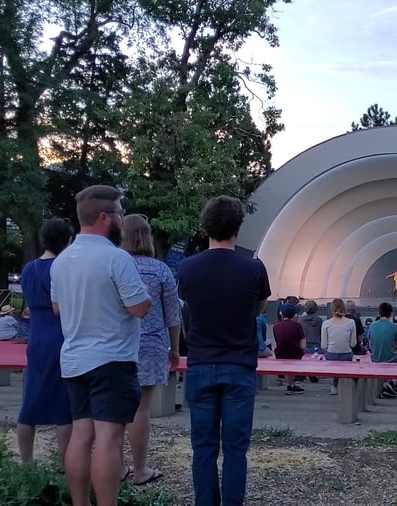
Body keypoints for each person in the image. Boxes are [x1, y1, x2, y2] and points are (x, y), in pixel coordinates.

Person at [50, 185, 152, 506]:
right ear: (105, 217)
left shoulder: (62, 261)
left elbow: (57, 308)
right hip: (112, 360)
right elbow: (139, 307)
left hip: (74, 360)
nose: (123, 218)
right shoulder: (116, 258)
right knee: (108, 439)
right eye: (120, 212)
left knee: (81, 436)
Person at [178, 195, 271, 505]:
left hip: (201, 363)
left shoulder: (188, 268)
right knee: (235, 450)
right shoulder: (255, 269)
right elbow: (258, 309)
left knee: (203, 448)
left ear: (205, 226)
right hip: (239, 366)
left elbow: (187, 305)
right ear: (238, 227)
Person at [121, 214, 182, 486]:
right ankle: (140, 468)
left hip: (117, 345)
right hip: (151, 343)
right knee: (141, 409)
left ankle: (118, 465)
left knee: (115, 408)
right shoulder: (160, 270)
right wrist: (175, 349)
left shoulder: (115, 266)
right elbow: (173, 316)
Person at [16, 217, 74, 464]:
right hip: (60, 335)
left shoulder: (29, 269)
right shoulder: (62, 269)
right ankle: (64, 463)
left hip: (36, 335)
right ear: (66, 240)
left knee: (30, 400)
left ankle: (26, 461)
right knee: (63, 405)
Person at [321, 299, 357, 395]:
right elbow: (353, 344)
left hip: (331, 355)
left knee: (331, 355)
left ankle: (335, 384)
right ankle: (341, 384)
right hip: (346, 354)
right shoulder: (351, 322)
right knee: (347, 356)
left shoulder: (326, 324)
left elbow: (323, 346)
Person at [369, 302, 397, 397]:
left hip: (375, 358)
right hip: (391, 359)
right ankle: (392, 383)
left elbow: (370, 345)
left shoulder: (372, 325)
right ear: (391, 313)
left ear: (378, 313)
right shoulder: (395, 327)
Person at [273, 304, 306, 394]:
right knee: (295, 353)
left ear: (282, 314)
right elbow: (303, 345)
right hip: (295, 354)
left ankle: (289, 384)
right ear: (294, 315)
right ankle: (291, 385)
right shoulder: (297, 326)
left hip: (280, 353)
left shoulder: (275, 326)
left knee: (288, 353)